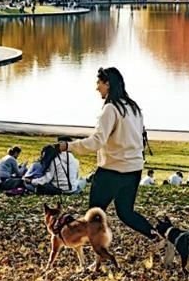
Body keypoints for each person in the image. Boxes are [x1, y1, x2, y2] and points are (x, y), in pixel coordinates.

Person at [59, 67, 158, 241]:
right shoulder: (133, 107)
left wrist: (68, 146)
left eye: (99, 83)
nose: (97, 88)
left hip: (112, 171)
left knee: (94, 216)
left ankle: (100, 257)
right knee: (126, 213)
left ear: (108, 84)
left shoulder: (110, 109)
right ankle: (158, 237)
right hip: (134, 170)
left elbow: (97, 141)